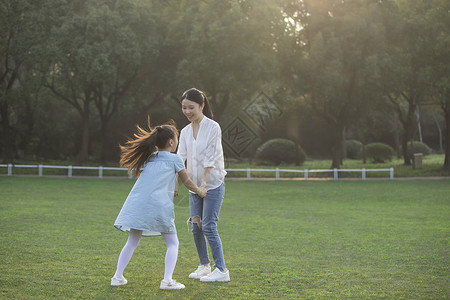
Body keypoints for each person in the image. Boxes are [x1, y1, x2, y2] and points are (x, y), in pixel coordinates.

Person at [111, 119, 207, 290]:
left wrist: (174, 184)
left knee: (132, 240)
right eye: (177, 139)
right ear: (171, 142)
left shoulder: (150, 157)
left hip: (137, 204)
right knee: (172, 243)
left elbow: (161, 176)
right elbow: (188, 182)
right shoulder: (175, 159)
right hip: (158, 206)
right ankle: (167, 281)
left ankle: (117, 277)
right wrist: (200, 191)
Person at [176, 88, 230, 282]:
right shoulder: (184, 131)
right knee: (196, 226)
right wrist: (175, 184)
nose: (187, 112)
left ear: (202, 106)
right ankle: (204, 265)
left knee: (208, 225)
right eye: (184, 108)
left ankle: (221, 270)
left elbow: (211, 157)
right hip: (194, 187)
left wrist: (204, 183)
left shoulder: (213, 127)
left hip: (213, 185)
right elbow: (179, 159)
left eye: (191, 107)